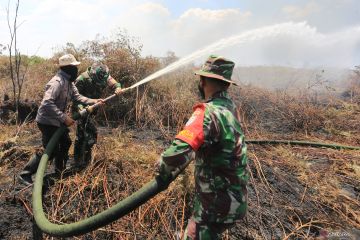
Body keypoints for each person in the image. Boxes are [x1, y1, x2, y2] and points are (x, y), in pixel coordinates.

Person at [157, 55, 249, 240]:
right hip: (235, 201)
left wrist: (161, 169)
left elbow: (178, 152)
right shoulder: (231, 108)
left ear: (203, 80)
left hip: (214, 204)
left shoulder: (207, 112)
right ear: (227, 84)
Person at [18, 54, 103, 185]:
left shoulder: (69, 82)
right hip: (46, 122)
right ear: (67, 68)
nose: (76, 70)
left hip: (57, 121)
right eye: (74, 67)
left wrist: (94, 101)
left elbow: (78, 97)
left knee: (65, 142)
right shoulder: (57, 83)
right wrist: (64, 118)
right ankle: (25, 174)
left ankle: (59, 172)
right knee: (50, 150)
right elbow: (47, 103)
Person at [72, 62, 122, 168]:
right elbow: (75, 98)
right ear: (93, 74)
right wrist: (83, 110)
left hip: (93, 108)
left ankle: (86, 159)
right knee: (85, 134)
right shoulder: (82, 79)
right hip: (81, 110)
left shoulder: (104, 75)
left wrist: (117, 88)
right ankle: (79, 161)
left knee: (87, 134)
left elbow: (114, 83)